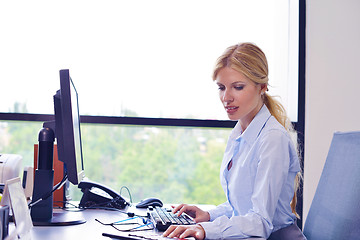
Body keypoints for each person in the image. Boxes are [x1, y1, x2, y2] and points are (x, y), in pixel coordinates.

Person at [162, 42, 306, 239]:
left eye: (238, 87)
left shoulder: (272, 139)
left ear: (262, 87)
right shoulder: (239, 133)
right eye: (221, 87)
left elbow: (260, 222)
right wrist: (209, 216)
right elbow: (243, 207)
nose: (226, 97)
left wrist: (207, 230)